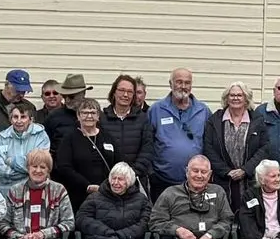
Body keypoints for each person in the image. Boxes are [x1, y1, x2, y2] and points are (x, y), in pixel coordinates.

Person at [202, 82, 270, 211]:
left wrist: (245, 169)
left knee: (248, 217)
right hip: (222, 180)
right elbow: (208, 147)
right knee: (222, 215)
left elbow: (264, 147)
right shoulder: (215, 120)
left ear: (246, 99)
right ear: (226, 98)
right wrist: (226, 171)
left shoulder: (257, 119)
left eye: (240, 95)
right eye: (232, 95)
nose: (235, 98)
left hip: (249, 181)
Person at [148, 68, 210, 199]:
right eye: (179, 82)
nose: (183, 86)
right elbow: (147, 143)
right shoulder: (156, 110)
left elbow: (210, 144)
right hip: (162, 181)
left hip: (196, 182)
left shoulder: (203, 111)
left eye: (187, 83)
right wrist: (151, 173)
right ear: (170, 84)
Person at [53, 97, 121, 212]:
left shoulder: (108, 137)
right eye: (85, 113)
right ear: (78, 116)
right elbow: (64, 167)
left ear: (98, 116)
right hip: (78, 195)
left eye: (93, 113)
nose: (89, 116)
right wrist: (87, 186)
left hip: (107, 194)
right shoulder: (69, 138)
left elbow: (119, 163)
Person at [101, 74, 155, 185]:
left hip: (136, 179)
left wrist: (131, 174)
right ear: (114, 92)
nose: (125, 95)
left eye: (130, 92)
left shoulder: (143, 118)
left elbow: (147, 149)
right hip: (107, 180)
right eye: (121, 90)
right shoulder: (102, 119)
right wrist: (113, 176)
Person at [0, 102, 51, 194]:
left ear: (31, 120)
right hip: (8, 191)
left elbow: (39, 166)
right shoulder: (3, 137)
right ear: (11, 120)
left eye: (23, 117)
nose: (19, 121)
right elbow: (0, 171)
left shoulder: (41, 135)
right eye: (15, 117)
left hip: (34, 189)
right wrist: (27, 172)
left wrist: (12, 161)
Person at [43, 73, 91, 147]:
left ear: (83, 94)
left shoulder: (94, 116)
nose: (67, 100)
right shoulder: (53, 117)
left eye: (71, 97)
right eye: (65, 96)